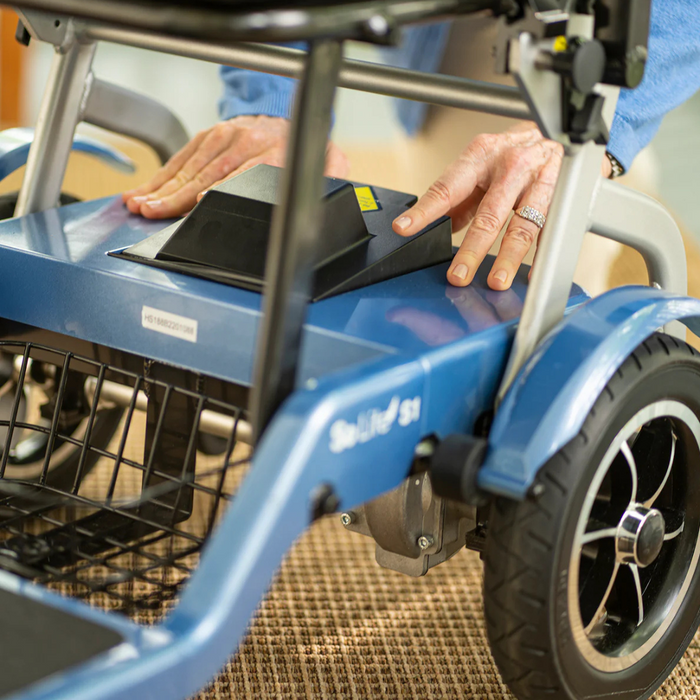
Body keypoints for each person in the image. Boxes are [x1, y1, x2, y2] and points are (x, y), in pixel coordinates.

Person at [122, 0, 700, 292]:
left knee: (518, 265)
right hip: (450, 21)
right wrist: (273, 103)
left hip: (580, 18)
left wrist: (600, 121)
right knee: (423, 254)